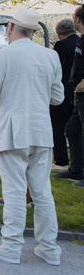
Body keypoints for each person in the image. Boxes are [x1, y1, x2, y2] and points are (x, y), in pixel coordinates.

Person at [0, 8, 63, 265]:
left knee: (14, 191)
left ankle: (12, 245)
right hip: (41, 130)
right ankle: (49, 249)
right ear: (34, 31)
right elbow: (57, 97)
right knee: (42, 192)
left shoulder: (3, 56)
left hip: (12, 130)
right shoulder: (50, 56)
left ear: (11, 28)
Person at [51, 19, 78, 167]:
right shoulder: (80, 42)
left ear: (60, 32)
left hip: (64, 92)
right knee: (76, 131)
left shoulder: (61, 45)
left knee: (57, 127)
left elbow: (57, 70)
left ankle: (61, 160)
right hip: (78, 92)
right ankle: (78, 162)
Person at [63, 6, 84, 186]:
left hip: (83, 91)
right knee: (72, 129)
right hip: (78, 94)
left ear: (78, 18)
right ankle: (76, 170)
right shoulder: (81, 40)